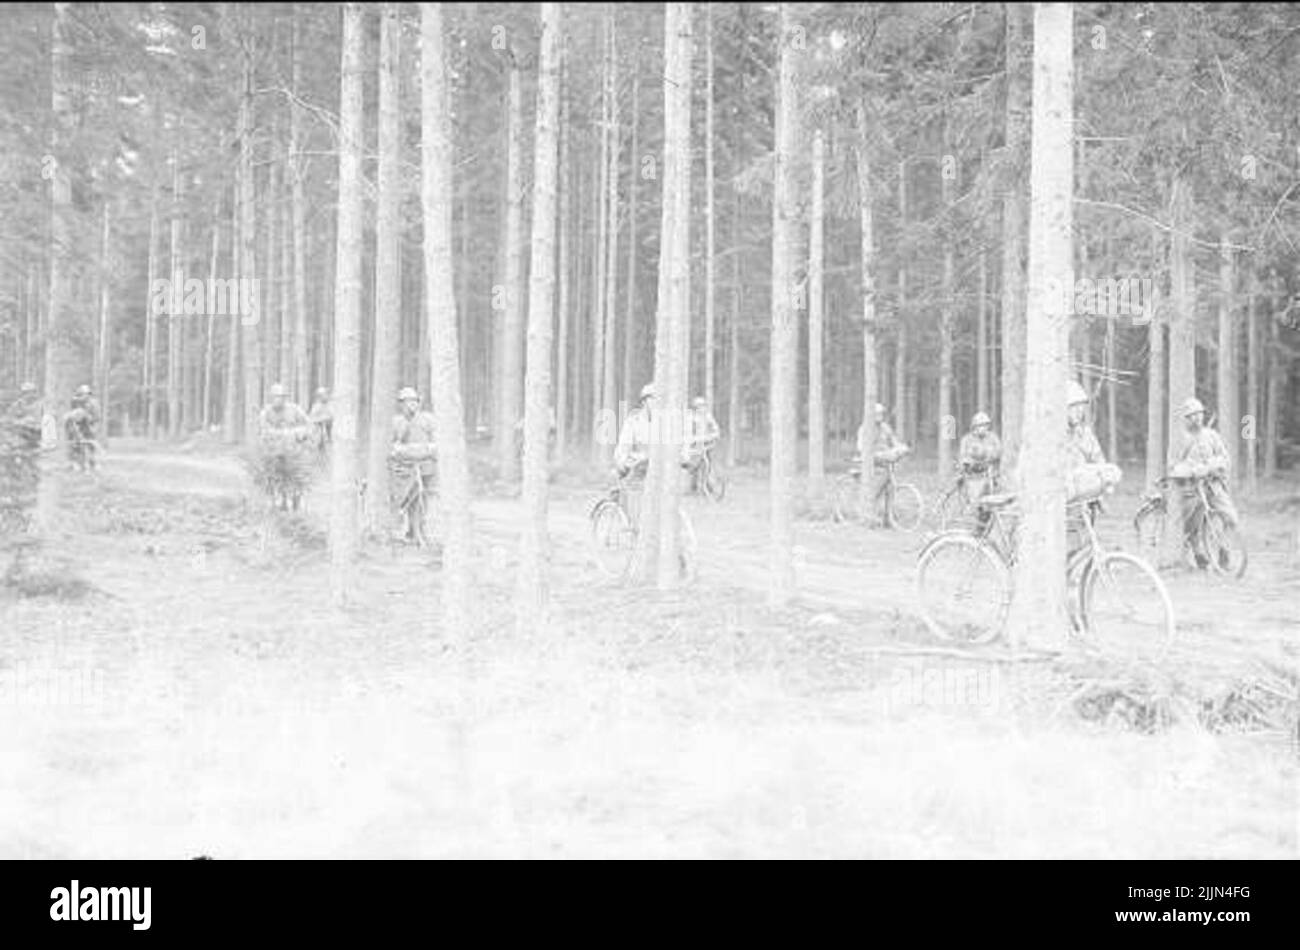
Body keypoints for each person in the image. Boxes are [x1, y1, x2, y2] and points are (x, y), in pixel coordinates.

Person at [1169, 396, 1238, 568]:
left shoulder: (1212, 436)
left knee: (1229, 516)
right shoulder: (1180, 440)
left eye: (1199, 414)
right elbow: (1173, 467)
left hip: (1212, 485)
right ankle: (1198, 553)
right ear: (1185, 419)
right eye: (1192, 415)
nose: (1197, 418)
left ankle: (1223, 551)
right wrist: (1190, 470)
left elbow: (1225, 458)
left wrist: (1210, 466)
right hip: (1190, 489)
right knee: (1191, 525)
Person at [389, 387, 437, 542]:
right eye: (406, 402)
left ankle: (421, 529)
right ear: (401, 404)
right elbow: (392, 446)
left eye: (413, 401)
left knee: (424, 499)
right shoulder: (397, 422)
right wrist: (402, 450)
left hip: (426, 466)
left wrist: (428, 450)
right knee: (409, 499)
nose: (410, 405)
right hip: (406, 468)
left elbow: (436, 441)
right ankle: (411, 529)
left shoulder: (427, 420)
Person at [613, 383, 656, 482]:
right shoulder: (633, 422)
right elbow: (623, 448)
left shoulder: (666, 423)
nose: (656, 403)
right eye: (653, 399)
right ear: (644, 402)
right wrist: (623, 464)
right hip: (639, 468)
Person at [958, 411, 1002, 500]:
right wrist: (970, 462)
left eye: (985, 425)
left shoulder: (993, 438)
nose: (983, 428)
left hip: (988, 472)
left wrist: (988, 456)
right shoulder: (967, 440)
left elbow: (998, 452)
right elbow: (963, 456)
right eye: (980, 425)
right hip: (972, 474)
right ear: (974, 427)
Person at [682, 396, 721, 492]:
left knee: (706, 465)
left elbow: (715, 428)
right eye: (699, 406)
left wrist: (714, 434)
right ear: (695, 407)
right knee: (694, 466)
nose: (702, 408)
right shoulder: (690, 417)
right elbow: (687, 431)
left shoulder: (708, 417)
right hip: (694, 445)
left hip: (705, 445)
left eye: (703, 406)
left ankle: (707, 486)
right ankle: (693, 486)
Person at [856, 402, 907, 467]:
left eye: (881, 413)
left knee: (902, 450)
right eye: (878, 413)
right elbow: (860, 447)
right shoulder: (865, 429)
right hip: (872, 457)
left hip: (886, 454)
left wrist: (901, 448)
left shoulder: (885, 427)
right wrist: (876, 453)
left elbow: (894, 441)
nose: (881, 415)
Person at [307, 388, 333, 452]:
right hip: (318, 426)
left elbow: (331, 415)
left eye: (325, 395)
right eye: (322, 395)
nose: (325, 397)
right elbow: (312, 417)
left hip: (327, 426)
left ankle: (328, 438)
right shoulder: (316, 406)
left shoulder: (328, 405)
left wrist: (328, 418)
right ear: (319, 397)